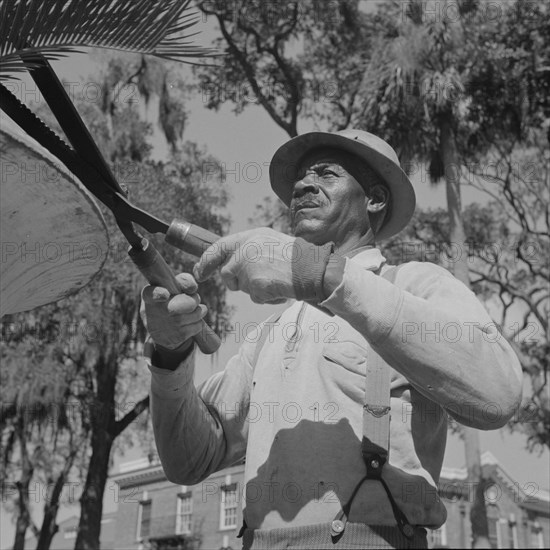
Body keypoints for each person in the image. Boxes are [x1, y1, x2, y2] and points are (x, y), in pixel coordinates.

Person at [141, 130, 522, 549]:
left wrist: (316, 271)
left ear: (374, 199)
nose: (303, 185)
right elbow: (190, 459)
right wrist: (171, 355)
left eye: (326, 173)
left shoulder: (414, 285)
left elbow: (498, 394)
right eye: (300, 179)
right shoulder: (271, 333)